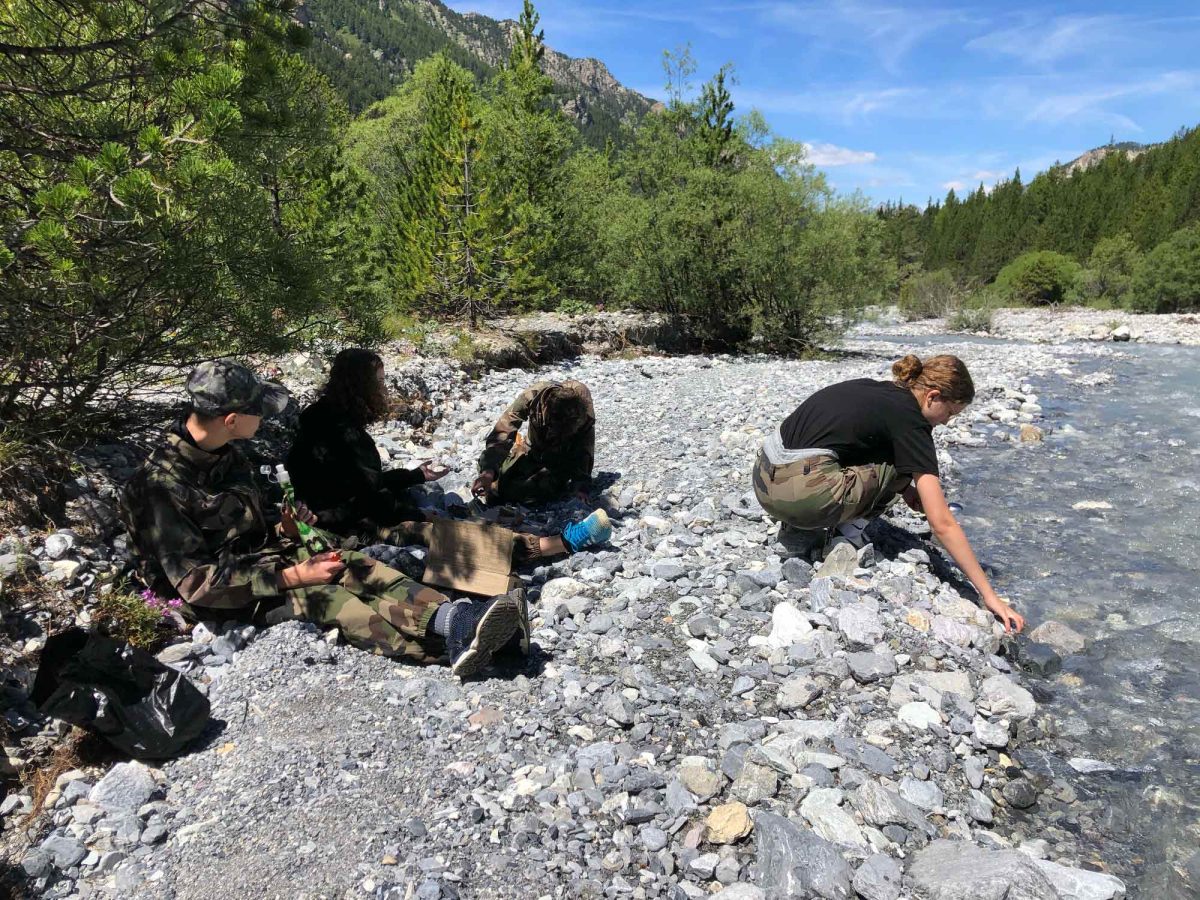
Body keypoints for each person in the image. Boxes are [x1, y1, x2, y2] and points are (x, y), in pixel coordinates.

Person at [120, 358, 526, 677]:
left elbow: (247, 518)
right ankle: (454, 648)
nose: (263, 418)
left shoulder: (226, 453)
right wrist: (293, 578)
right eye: (257, 411)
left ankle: (459, 620)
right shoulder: (160, 488)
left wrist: (284, 524)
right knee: (333, 600)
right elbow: (197, 583)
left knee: (356, 566)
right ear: (230, 419)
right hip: (227, 596)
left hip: (264, 560)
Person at [753, 353, 1025, 633]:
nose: (946, 422)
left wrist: (904, 491)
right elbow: (941, 523)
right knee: (905, 461)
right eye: (950, 413)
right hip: (799, 498)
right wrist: (990, 598)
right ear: (932, 396)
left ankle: (807, 520)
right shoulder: (911, 421)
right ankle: (846, 534)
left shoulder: (875, 390)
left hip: (764, 480)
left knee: (880, 453)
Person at [286, 349, 611, 557]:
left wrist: (416, 476)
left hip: (341, 515)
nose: (384, 391)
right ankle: (559, 544)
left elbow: (356, 483)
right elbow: (364, 499)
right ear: (360, 388)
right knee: (451, 536)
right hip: (346, 530)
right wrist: (419, 516)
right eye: (380, 383)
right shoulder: (344, 433)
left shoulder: (324, 417)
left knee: (433, 507)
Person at [472, 380, 596, 505]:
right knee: (492, 473)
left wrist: (580, 487)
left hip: (561, 458)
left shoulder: (584, 412)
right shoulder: (533, 396)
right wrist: (488, 472)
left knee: (523, 492)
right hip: (532, 451)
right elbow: (504, 431)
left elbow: (585, 450)